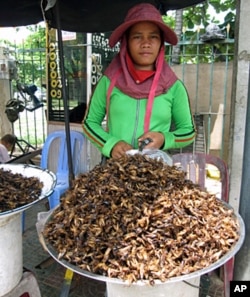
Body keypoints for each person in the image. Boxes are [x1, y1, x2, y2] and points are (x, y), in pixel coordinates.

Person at [83, 3, 196, 159]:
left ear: (161, 43)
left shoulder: (174, 87)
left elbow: (188, 132)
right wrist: (110, 144)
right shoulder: (108, 82)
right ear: (126, 43)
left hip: (156, 171)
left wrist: (164, 138)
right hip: (114, 172)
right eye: (137, 36)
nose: (146, 43)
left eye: (153, 37)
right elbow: (90, 124)